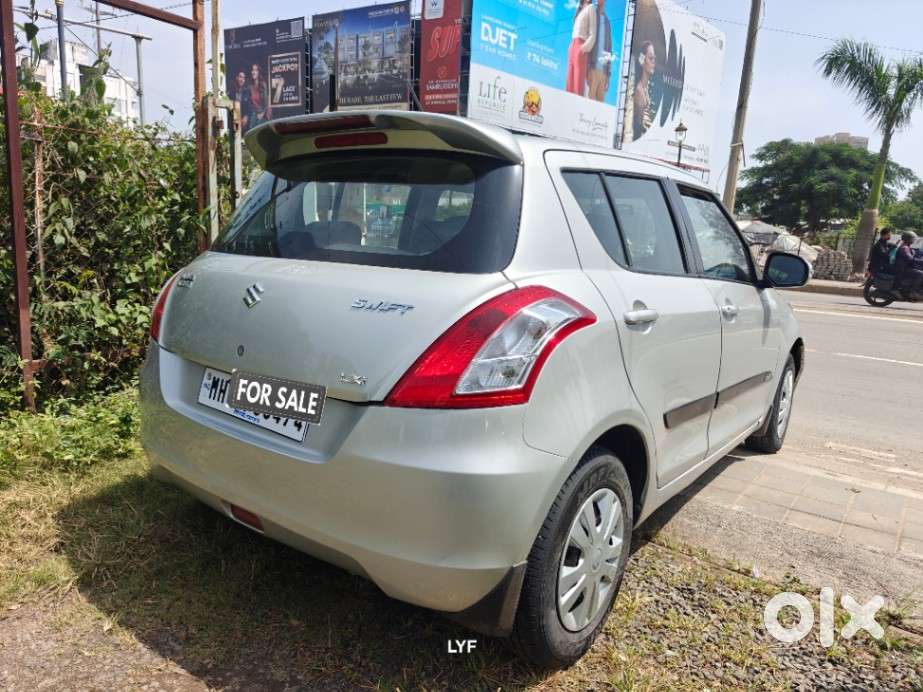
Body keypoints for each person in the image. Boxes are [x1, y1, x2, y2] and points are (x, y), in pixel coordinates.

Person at [566, 0, 597, 96]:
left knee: (577, 85)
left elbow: (593, 34)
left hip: (581, 45)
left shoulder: (591, 8)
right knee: (569, 84)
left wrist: (584, 48)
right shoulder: (579, 10)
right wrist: (571, 47)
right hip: (573, 46)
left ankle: (576, 108)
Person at [586, 0, 613, 102]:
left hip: (603, 73)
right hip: (592, 70)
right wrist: (587, 69)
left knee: (600, 109)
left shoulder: (607, 22)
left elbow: (609, 49)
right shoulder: (592, 14)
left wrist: (608, 75)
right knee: (588, 105)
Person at [632, 40, 656, 140]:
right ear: (642, 60)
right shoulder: (639, 91)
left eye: (654, 58)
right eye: (651, 58)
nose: (654, 61)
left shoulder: (646, 89)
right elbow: (639, 126)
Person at [248, 63, 270, 128]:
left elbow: (266, 103)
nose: (253, 72)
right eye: (252, 70)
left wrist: (262, 113)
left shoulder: (263, 85)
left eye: (255, 70)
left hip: (262, 114)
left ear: (259, 72)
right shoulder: (249, 86)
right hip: (253, 114)